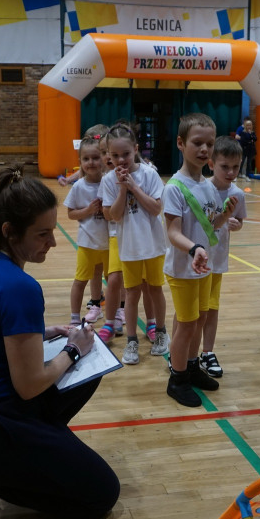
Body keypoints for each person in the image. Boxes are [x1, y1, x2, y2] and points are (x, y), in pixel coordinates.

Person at [0, 165, 119, 519]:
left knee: (87, 374)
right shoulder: (18, 286)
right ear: (9, 232)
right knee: (100, 495)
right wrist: (72, 350)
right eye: (42, 234)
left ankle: (35, 452)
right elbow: (29, 385)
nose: (52, 242)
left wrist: (46, 331)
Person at [162, 114, 236, 406]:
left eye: (209, 143)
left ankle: (192, 367)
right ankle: (177, 378)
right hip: (182, 269)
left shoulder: (207, 186)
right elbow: (173, 232)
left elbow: (211, 223)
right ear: (181, 144)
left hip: (204, 267)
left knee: (201, 318)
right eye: (197, 143)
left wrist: (226, 215)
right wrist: (193, 249)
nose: (204, 149)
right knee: (187, 324)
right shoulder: (174, 188)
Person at [101, 123, 169, 365]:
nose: (121, 160)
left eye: (126, 154)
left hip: (153, 244)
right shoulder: (109, 180)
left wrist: (134, 188)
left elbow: (156, 208)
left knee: (154, 289)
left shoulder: (149, 174)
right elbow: (113, 216)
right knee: (131, 294)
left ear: (136, 150)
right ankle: (131, 340)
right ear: (108, 155)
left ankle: (160, 332)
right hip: (128, 247)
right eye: (116, 155)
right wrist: (122, 190)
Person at [200, 136, 247, 378]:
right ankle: (183, 353)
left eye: (235, 167)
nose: (230, 172)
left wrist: (236, 225)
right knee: (190, 311)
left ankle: (207, 351)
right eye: (224, 166)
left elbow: (239, 222)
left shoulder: (238, 193)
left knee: (211, 309)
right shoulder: (202, 189)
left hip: (217, 262)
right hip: (195, 261)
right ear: (211, 164)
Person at [64, 136, 109, 327]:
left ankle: (113, 309)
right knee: (81, 279)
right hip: (87, 242)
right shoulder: (79, 187)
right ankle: (76, 317)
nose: (91, 162)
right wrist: (88, 211)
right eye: (86, 159)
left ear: (104, 158)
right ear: (80, 161)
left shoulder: (109, 183)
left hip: (109, 242)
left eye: (95, 157)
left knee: (111, 279)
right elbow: (71, 214)